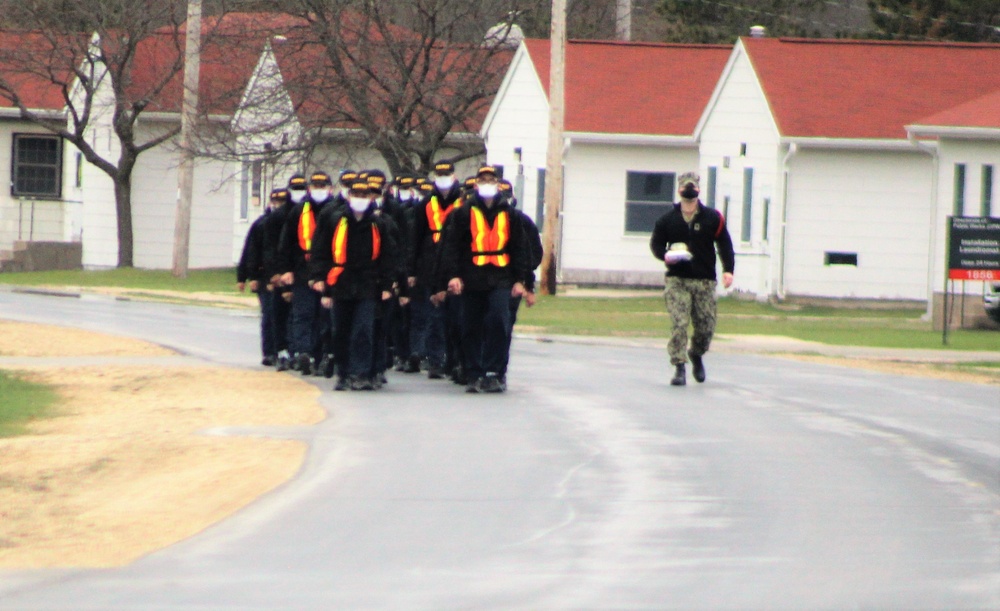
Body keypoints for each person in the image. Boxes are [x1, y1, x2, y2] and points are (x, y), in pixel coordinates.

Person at [437, 165, 529, 393]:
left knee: (499, 320)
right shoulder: (462, 214)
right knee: (470, 326)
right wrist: (453, 276)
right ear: (476, 184)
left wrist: (521, 280)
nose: (487, 184)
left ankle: (495, 372)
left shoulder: (510, 215)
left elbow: (520, 249)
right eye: (483, 180)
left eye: (491, 180)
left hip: (501, 276)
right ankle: (474, 373)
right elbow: (451, 248)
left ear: (497, 184)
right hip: (472, 277)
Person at [309, 180, 397, 391]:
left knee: (364, 330)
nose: (360, 199)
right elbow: (321, 251)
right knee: (340, 330)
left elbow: (388, 256)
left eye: (364, 195)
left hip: (368, 284)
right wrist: (320, 279)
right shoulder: (335, 220)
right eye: (356, 194)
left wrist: (386, 285)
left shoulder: (379, 224)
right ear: (349, 197)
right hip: (340, 283)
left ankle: (361, 372)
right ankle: (344, 372)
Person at [649, 171, 735, 386]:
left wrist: (728, 270)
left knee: (706, 326)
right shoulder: (668, 220)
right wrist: (665, 256)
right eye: (685, 186)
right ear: (679, 190)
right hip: (677, 280)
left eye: (692, 186)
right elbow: (656, 244)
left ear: (697, 190)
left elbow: (724, 244)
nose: (689, 190)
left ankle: (696, 353)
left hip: (704, 280)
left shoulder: (712, 218)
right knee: (679, 322)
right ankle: (679, 366)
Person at [408, 161, 464, 379]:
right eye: (439, 174)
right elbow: (415, 238)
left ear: (454, 176)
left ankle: (455, 360)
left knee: (457, 317)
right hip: (430, 266)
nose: (443, 178)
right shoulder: (425, 205)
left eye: (446, 174)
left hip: (455, 264)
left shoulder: (462, 202)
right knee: (434, 316)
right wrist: (412, 270)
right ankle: (435, 360)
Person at [278, 171, 337, 375]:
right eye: (315, 186)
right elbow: (286, 242)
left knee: (325, 317)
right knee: (303, 314)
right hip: (303, 270)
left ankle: (323, 356)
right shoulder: (298, 211)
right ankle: (304, 353)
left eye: (323, 186)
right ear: (309, 188)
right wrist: (286, 270)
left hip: (329, 271)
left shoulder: (336, 210)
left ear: (330, 188)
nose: (318, 190)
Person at [237, 189, 287, 366]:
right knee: (269, 314)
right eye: (276, 202)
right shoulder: (261, 224)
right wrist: (246, 276)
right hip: (264, 276)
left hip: (285, 276)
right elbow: (251, 250)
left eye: (282, 202)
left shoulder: (290, 222)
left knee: (284, 315)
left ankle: (284, 350)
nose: (278, 205)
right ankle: (269, 352)